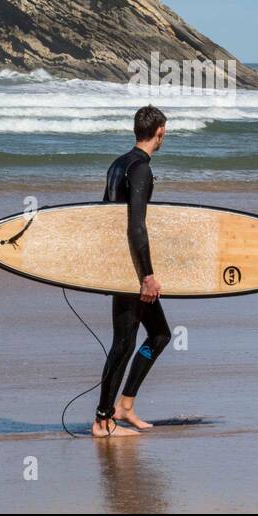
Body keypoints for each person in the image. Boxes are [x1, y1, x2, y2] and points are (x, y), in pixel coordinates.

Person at [93, 105, 170, 438]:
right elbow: (136, 226)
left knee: (159, 335)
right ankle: (102, 419)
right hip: (131, 272)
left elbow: (102, 218)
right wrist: (147, 276)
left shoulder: (117, 165)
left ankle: (125, 405)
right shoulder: (141, 170)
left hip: (119, 266)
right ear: (160, 132)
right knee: (123, 343)